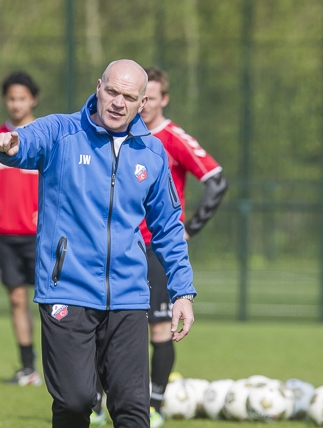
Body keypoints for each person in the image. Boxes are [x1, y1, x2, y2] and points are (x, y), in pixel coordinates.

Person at [0, 59, 197, 428]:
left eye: (130, 97)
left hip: (129, 296)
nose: (118, 102)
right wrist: (10, 145)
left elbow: (167, 225)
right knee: (76, 401)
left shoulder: (151, 154)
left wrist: (183, 290)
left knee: (134, 410)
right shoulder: (62, 131)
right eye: (112, 92)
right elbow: (26, 143)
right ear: (98, 86)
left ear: (143, 104)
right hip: (67, 290)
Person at [90, 67, 228, 428]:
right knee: (104, 324)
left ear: (162, 99)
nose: (144, 103)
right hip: (115, 246)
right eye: (141, 96)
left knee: (159, 328)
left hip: (155, 250)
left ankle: (155, 402)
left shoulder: (172, 137)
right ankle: (100, 400)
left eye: (150, 97)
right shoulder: (110, 133)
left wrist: (189, 229)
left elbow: (216, 180)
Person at [0, 71, 42, 386]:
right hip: (6, 234)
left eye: (22, 98)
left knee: (51, 302)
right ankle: (28, 369)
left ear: (33, 100)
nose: (16, 104)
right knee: (17, 299)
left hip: (42, 235)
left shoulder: (44, 134)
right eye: (11, 99)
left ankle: (62, 368)